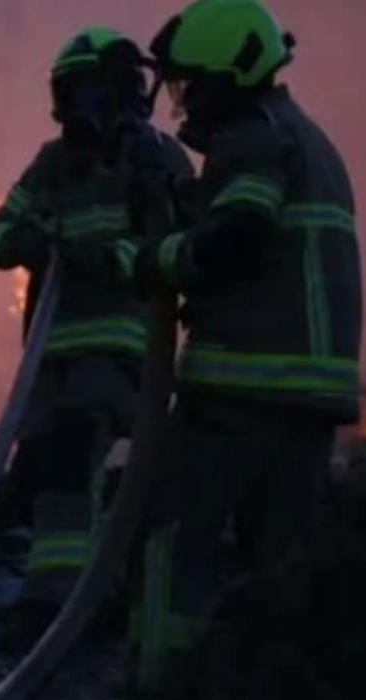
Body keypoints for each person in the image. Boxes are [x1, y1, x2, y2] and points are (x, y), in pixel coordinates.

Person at [128, 0, 362, 697]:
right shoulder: (302, 138)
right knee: (284, 571)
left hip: (239, 392)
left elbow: (236, 239)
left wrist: (143, 259)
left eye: (191, 83)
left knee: (170, 548)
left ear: (234, 73)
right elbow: (239, 214)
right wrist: (176, 190)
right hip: (308, 398)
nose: (183, 100)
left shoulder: (252, 138)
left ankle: (157, 686)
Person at [0, 26, 193, 650]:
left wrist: (112, 256)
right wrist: (24, 241)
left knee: (71, 453)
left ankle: (62, 605)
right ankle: (63, 598)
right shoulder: (53, 163)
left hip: (123, 352)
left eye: (89, 92)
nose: (77, 109)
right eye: (69, 94)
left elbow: (176, 246)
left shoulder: (157, 160)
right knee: (47, 469)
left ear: (123, 92)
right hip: (51, 356)